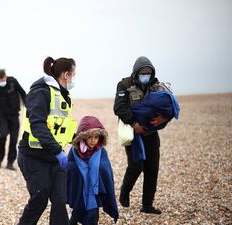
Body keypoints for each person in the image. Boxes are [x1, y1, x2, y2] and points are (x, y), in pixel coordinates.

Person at [17, 56, 77, 225]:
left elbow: (63, 127)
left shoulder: (65, 96)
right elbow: (38, 126)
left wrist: (80, 141)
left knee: (60, 201)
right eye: (73, 73)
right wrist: (58, 152)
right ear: (66, 74)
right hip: (33, 156)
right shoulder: (41, 92)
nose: (74, 78)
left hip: (54, 158)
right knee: (39, 200)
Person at [113, 56, 169, 214]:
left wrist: (164, 118)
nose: (145, 76)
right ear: (136, 73)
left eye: (148, 73)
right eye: (142, 73)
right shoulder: (124, 85)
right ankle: (125, 192)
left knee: (152, 169)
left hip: (151, 133)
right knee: (136, 165)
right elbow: (119, 107)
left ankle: (147, 205)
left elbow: (169, 105)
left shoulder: (158, 87)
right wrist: (133, 123)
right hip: (133, 134)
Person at [66, 116, 118, 225]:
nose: (93, 141)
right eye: (89, 137)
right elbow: (69, 168)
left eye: (96, 137)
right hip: (80, 189)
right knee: (77, 212)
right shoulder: (75, 151)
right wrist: (79, 170)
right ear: (83, 137)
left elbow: (105, 170)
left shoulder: (101, 152)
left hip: (95, 190)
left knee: (93, 215)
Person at [0, 69, 26, 170]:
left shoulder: (13, 82)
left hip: (14, 115)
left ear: (5, 77)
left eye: (3, 79)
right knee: (3, 135)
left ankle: (10, 162)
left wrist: (28, 106)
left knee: (14, 139)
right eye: (0, 80)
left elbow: (23, 93)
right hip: (2, 116)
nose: (2, 81)